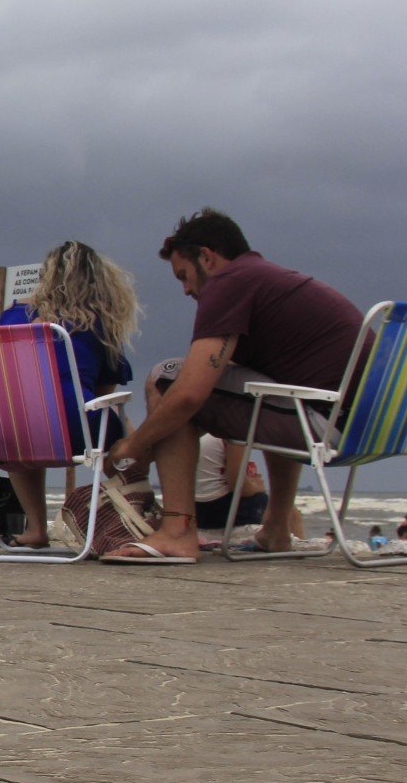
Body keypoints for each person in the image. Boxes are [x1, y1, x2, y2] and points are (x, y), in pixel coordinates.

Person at [105, 208, 363, 563]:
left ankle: (177, 531)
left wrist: (135, 444)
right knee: (272, 389)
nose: (185, 290)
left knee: (168, 380)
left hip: (326, 422)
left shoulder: (230, 283)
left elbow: (190, 393)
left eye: (184, 276)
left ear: (207, 257)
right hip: (370, 425)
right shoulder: (271, 279)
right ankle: (275, 529)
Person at [0, 242, 139, 548]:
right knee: (126, 426)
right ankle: (129, 513)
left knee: (25, 418)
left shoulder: (11, 318)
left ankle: (36, 528)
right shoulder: (98, 324)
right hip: (72, 428)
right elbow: (103, 393)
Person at [195, 434, 268, 530]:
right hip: (216, 509)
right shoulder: (237, 432)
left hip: (195, 507)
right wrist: (258, 487)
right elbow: (239, 486)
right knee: (281, 506)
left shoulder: (208, 430)